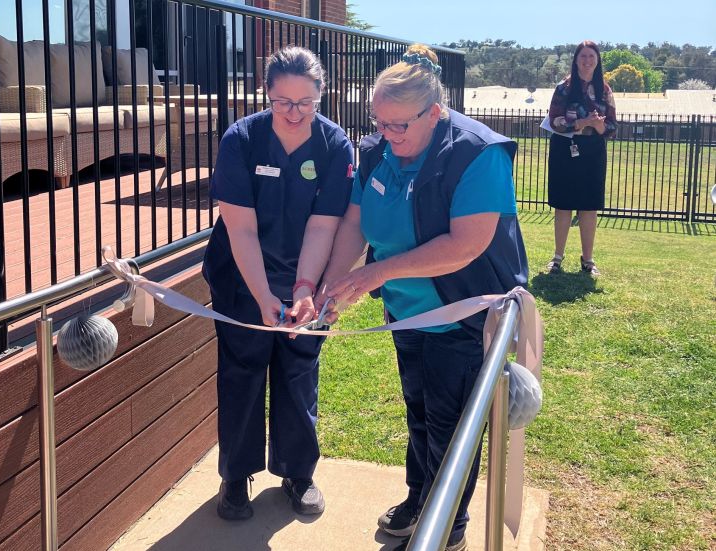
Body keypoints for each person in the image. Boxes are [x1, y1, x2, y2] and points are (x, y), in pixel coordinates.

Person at [316, 44, 528, 551]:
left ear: (435, 112)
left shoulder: (478, 154)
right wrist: (329, 285)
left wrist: (376, 274)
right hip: (407, 313)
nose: (386, 136)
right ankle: (420, 499)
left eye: (399, 125)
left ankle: (445, 527)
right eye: (378, 122)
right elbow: (353, 224)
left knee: (451, 427)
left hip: (464, 315)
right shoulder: (376, 153)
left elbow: (465, 245)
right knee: (419, 411)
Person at [201, 46, 354, 520]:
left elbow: (323, 226)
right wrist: (265, 294)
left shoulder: (334, 146)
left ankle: (297, 472)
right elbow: (241, 228)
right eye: (283, 101)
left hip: (302, 280)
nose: (293, 113)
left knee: (299, 371)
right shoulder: (241, 140)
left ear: (321, 98)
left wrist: (304, 288)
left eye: (305, 102)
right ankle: (235, 477)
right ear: (266, 94)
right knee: (242, 372)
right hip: (242, 279)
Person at [545, 40, 617, 276]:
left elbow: (613, 127)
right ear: (576, 60)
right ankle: (557, 258)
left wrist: (597, 126)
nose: (587, 61)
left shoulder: (605, 90)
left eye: (592, 57)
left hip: (593, 150)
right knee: (563, 204)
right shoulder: (563, 88)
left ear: (597, 62)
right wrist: (580, 123)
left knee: (589, 206)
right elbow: (554, 119)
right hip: (565, 148)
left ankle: (588, 260)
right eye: (583, 56)